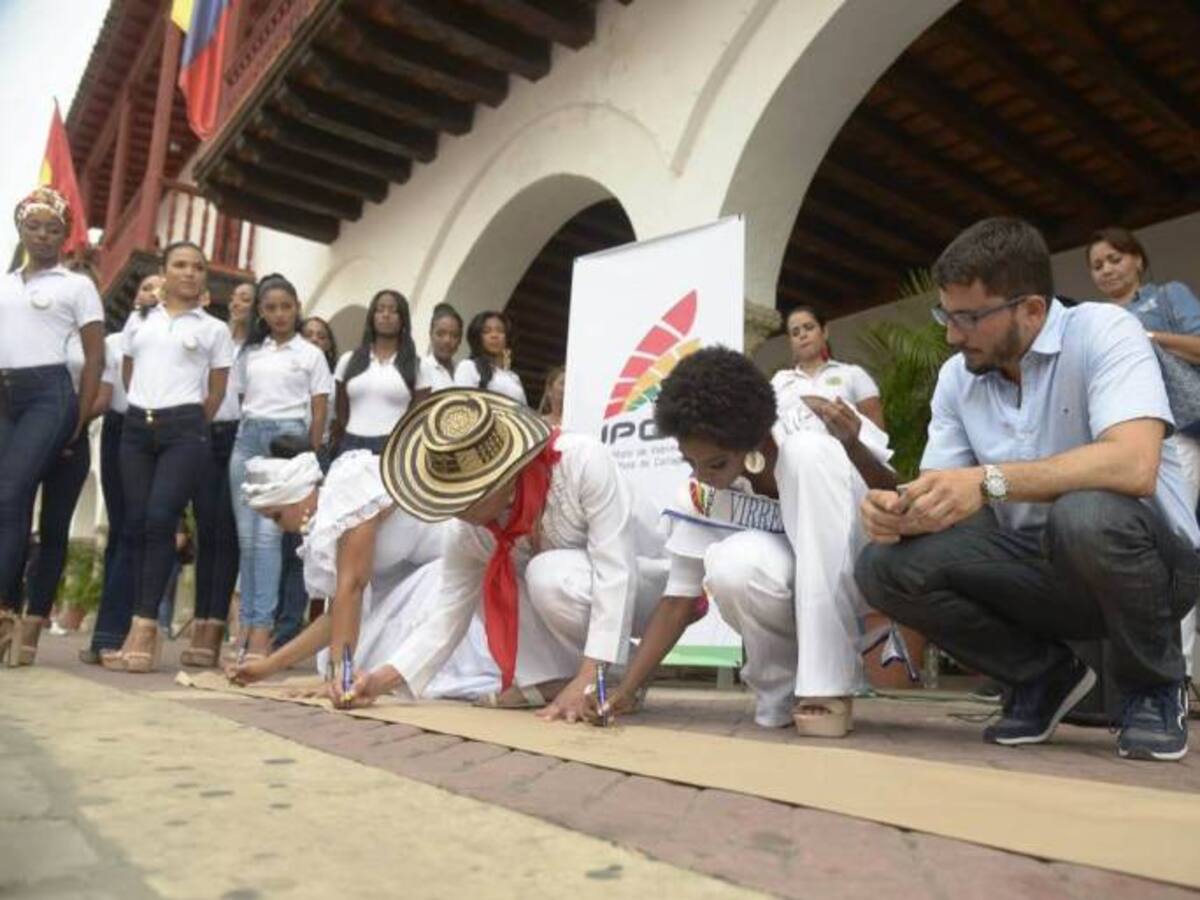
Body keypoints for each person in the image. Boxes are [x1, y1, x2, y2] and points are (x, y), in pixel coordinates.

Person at [856, 217, 1199, 762]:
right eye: (946, 314)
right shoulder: (956, 378)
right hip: (1040, 572)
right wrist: (899, 514)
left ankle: (1153, 687)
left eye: (969, 317)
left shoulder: (1106, 331)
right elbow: (945, 495)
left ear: (1032, 310)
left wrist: (989, 481)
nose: (951, 333)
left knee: (1086, 514)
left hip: (1151, 566)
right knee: (883, 565)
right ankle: (1043, 678)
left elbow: (1134, 465)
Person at [593, 347, 895, 736]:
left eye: (716, 463)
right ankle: (781, 691)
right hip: (794, 593)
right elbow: (677, 602)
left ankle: (828, 683)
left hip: (864, 570)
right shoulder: (701, 495)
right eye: (691, 463)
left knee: (805, 452)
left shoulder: (810, 417)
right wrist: (626, 690)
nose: (703, 477)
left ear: (751, 440)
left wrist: (852, 446)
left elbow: (895, 494)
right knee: (734, 566)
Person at [331, 388, 666, 720]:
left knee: (548, 574)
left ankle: (609, 677)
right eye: (447, 497)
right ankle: (557, 680)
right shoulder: (467, 529)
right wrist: (376, 681)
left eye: (465, 497)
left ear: (504, 478)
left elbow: (616, 571)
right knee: (492, 578)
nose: (456, 511)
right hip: (582, 592)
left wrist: (589, 678)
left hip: (654, 594)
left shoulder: (583, 461)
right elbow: (447, 615)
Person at [226, 441, 498, 701]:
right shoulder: (329, 524)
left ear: (299, 499)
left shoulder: (349, 489)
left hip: (463, 569)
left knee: (346, 655)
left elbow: (351, 588)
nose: (279, 527)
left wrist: (338, 678)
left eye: (277, 516)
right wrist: (267, 668)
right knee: (345, 651)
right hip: (418, 579)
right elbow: (336, 616)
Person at [102, 241, 234, 673]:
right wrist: (145, 406)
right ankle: (134, 626)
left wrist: (193, 420)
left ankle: (144, 628)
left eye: (198, 267)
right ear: (165, 271)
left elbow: (216, 390)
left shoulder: (214, 329)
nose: (190, 273)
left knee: (162, 520)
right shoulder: (139, 322)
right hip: (138, 427)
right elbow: (128, 371)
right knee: (136, 524)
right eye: (180, 265)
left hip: (186, 430)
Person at [1087, 227, 1200, 678]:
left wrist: (1148, 337)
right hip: (1125, 439)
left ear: (1137, 260)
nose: (1107, 270)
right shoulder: (1095, 319)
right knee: (1143, 547)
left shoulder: (1167, 297)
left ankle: (1182, 672)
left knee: (1180, 541)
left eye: (1114, 258)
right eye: (1097, 265)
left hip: (1180, 432)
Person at [0, 188, 104, 666]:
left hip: (49, 393)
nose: (43, 235)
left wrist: (77, 422)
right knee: (8, 503)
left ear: (66, 236)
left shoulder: (76, 286)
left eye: (54, 228)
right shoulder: (5, 284)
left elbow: (95, 358)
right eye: (34, 225)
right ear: (20, 228)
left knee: (13, 494)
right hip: (5, 393)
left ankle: (12, 613)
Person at [229, 275, 332, 661]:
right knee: (248, 540)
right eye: (270, 308)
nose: (279, 314)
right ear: (261, 312)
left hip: (287, 439)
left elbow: (319, 407)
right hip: (248, 439)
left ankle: (261, 634)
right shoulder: (251, 353)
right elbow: (243, 396)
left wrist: (311, 451)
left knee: (268, 540)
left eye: (286, 307)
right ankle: (246, 627)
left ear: (297, 307)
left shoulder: (310, 354)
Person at [81, 274, 165, 663]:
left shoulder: (179, 338)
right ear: (135, 297)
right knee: (123, 529)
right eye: (147, 287)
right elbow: (109, 393)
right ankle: (108, 632)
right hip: (121, 431)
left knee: (144, 529)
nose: (154, 293)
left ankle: (124, 632)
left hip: (162, 434)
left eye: (160, 287)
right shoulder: (117, 342)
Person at [181, 281, 253, 666]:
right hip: (206, 430)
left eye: (250, 299)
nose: (243, 303)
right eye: (239, 297)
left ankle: (212, 628)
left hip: (240, 437)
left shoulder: (256, 350)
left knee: (227, 532)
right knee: (206, 529)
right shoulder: (212, 337)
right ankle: (200, 620)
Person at [332, 290, 429, 456]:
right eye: (380, 309)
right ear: (372, 317)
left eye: (393, 310)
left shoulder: (416, 365)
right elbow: (341, 408)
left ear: (403, 319)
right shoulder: (348, 360)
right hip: (351, 443)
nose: (386, 315)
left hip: (394, 446)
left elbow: (419, 413)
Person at [771, 306, 884, 429]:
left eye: (809, 328)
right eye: (795, 332)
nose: (802, 335)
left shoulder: (853, 374)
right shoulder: (779, 380)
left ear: (824, 332)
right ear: (791, 343)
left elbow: (877, 432)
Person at [454, 310, 527, 404]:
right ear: (477, 337)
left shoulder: (513, 377)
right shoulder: (468, 367)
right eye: (486, 331)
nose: (494, 335)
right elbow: (460, 405)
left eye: (500, 331)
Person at [425, 302, 462, 391]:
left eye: (454, 335)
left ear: (460, 340)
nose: (447, 341)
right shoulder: (420, 370)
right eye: (440, 334)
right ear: (431, 334)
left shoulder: (463, 371)